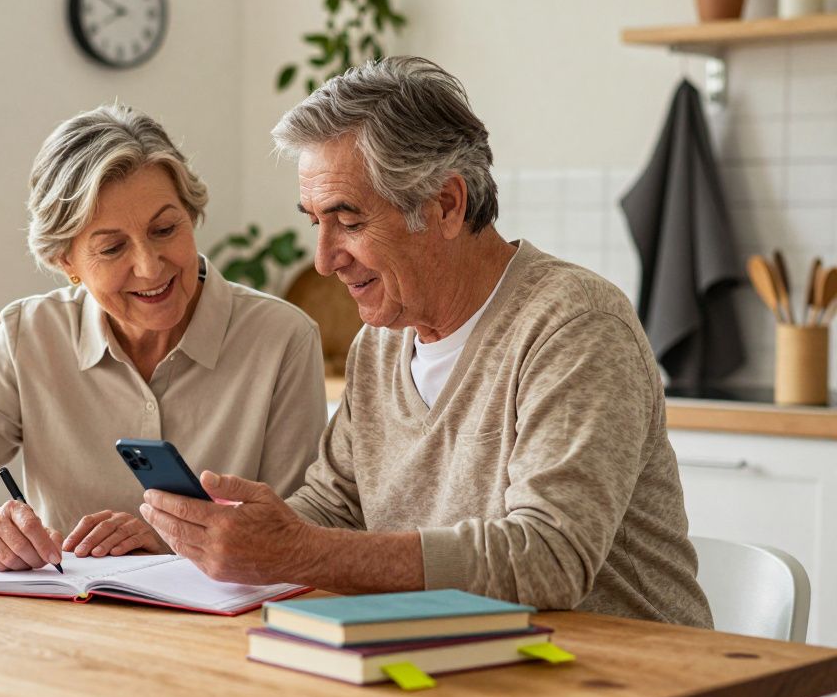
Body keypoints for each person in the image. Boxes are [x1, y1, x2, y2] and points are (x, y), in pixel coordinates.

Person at [141, 57, 713, 628]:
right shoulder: (381, 345)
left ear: (445, 205)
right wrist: (231, 531)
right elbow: (334, 509)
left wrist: (294, 550)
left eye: (349, 220)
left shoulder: (574, 325)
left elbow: (549, 558)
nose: (323, 259)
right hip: (468, 664)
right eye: (315, 221)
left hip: (627, 675)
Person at [0, 104, 326, 572]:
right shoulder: (30, 336)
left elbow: (300, 527)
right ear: (66, 263)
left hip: (223, 629)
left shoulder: (283, 338)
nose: (149, 266)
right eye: (112, 247)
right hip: (67, 625)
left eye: (165, 229)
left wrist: (177, 538)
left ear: (192, 215)